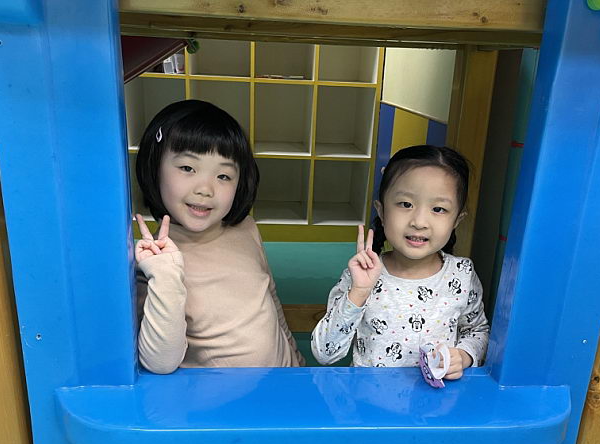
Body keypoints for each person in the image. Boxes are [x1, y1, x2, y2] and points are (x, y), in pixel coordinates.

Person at [134, 100, 303, 373]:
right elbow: (160, 363)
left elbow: (271, 301)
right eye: (187, 168)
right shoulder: (153, 259)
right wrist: (165, 275)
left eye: (224, 176)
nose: (205, 189)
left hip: (285, 384)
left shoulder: (246, 228)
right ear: (155, 167)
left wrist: (297, 364)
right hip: (226, 399)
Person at [311, 145, 489, 380]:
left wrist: (464, 356)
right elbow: (325, 354)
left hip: (436, 402)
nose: (419, 222)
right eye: (405, 204)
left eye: (438, 209)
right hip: (369, 401)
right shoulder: (362, 276)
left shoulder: (462, 273)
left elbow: (477, 330)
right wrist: (359, 292)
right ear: (382, 211)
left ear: (457, 220)